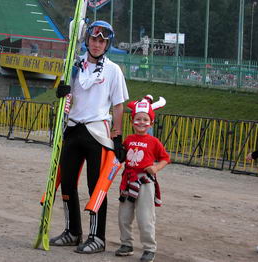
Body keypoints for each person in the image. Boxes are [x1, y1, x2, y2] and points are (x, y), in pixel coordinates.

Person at [49, 20, 129, 254]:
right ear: (87, 40)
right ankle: (72, 231)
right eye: (94, 39)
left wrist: (117, 135)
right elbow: (65, 95)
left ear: (107, 44)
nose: (96, 44)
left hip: (97, 132)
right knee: (67, 183)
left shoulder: (113, 70)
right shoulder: (73, 65)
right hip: (73, 128)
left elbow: (118, 105)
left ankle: (97, 237)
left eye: (102, 40)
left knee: (96, 186)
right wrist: (61, 91)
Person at [115, 96, 170, 262]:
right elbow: (121, 157)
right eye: (138, 119)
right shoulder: (128, 140)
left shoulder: (154, 141)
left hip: (145, 181)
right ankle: (126, 244)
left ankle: (149, 248)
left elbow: (165, 158)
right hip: (128, 180)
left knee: (145, 217)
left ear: (151, 123)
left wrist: (156, 168)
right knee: (124, 215)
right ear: (132, 121)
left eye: (145, 119)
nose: (141, 122)